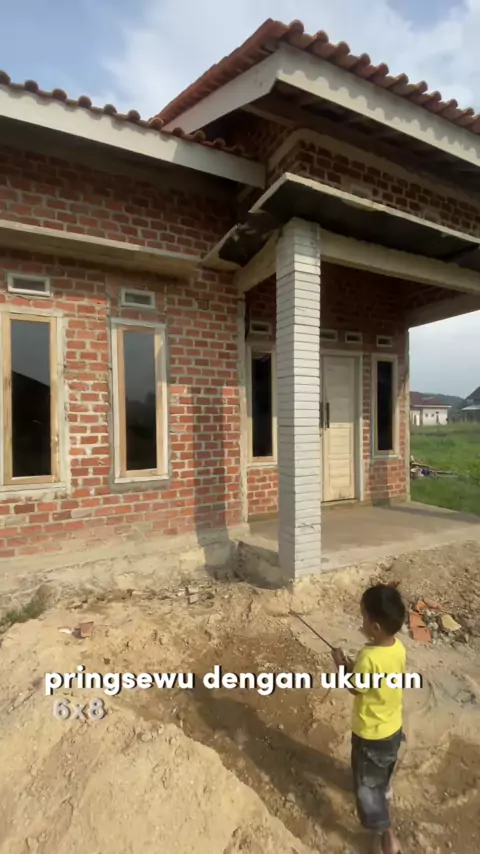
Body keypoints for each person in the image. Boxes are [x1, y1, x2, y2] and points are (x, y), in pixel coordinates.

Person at [332, 584, 406, 854]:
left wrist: (341, 667)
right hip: (393, 728)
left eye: (363, 615)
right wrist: (354, 667)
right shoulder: (398, 648)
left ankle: (388, 837)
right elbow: (378, 678)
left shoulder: (367, 657)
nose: (360, 620)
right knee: (383, 769)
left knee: (368, 789)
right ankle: (384, 788)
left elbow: (355, 688)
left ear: (375, 626)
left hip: (370, 735)